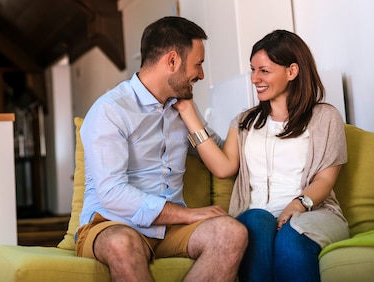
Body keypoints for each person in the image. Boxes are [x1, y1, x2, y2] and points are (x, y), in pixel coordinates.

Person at [76, 16, 248, 282]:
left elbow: (217, 153)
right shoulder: (110, 110)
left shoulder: (182, 107)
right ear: (172, 61)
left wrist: (249, 124)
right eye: (198, 65)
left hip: (169, 229)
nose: (201, 75)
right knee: (122, 243)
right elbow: (112, 194)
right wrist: (188, 214)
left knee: (231, 233)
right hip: (112, 223)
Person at [176, 29, 350, 282]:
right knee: (257, 220)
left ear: (292, 71)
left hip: (312, 213)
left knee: (292, 235)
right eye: (252, 70)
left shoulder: (325, 117)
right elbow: (224, 168)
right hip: (258, 214)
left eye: (264, 71)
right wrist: (187, 111)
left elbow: (325, 180)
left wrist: (297, 204)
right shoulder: (244, 122)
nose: (255, 78)